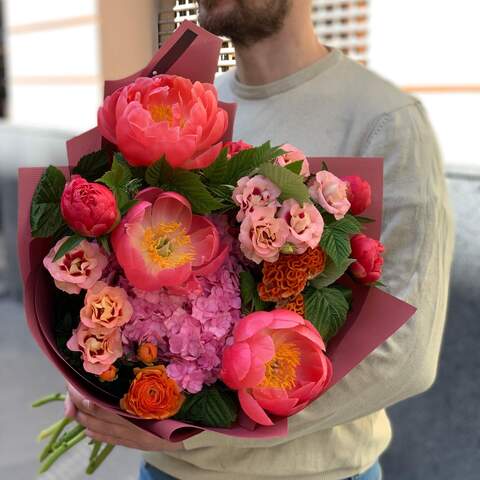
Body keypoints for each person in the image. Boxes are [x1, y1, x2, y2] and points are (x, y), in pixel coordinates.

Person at [65, 1, 455, 479]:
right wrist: (98, 375)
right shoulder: (190, 111)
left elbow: (405, 354)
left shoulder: (384, 120)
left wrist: (192, 432)